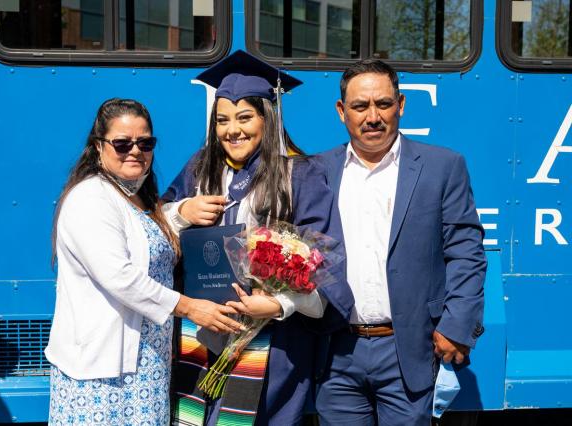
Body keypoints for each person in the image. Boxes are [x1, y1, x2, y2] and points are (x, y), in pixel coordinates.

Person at [162, 50, 354, 425]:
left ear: (268, 118)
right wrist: (180, 212)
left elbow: (325, 258)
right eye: (222, 120)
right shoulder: (200, 168)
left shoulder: (299, 174)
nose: (232, 130)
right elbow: (153, 226)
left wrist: (279, 304)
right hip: (204, 328)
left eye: (245, 117)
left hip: (272, 341)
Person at [44, 98, 244, 425]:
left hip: (145, 364)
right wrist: (191, 307)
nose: (135, 151)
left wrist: (180, 212)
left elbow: (142, 232)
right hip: (101, 371)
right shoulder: (90, 198)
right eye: (122, 144)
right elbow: (119, 276)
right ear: (98, 147)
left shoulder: (132, 195)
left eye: (145, 142)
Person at [315, 59, 487, 425]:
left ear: (401, 105)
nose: (373, 116)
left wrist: (456, 327)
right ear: (341, 112)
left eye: (384, 104)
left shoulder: (443, 166)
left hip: (409, 349)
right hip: (336, 352)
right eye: (360, 106)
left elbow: (466, 253)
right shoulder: (316, 171)